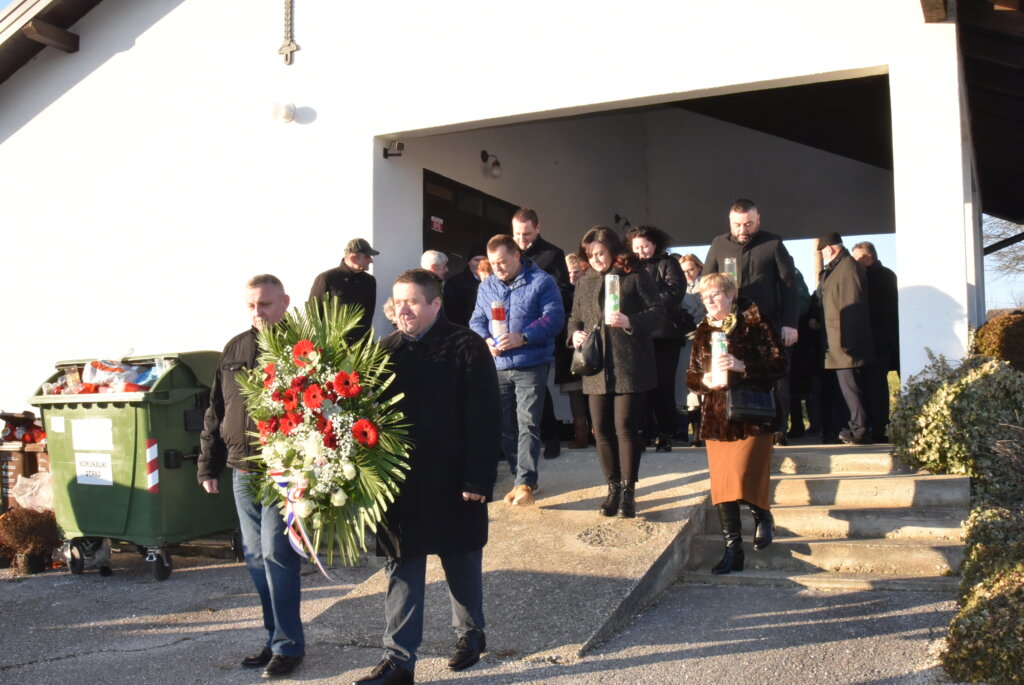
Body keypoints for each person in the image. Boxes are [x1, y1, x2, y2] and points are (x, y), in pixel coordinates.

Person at [354, 269, 501, 685]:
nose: (403, 309)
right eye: (398, 301)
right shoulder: (383, 351)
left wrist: (478, 478)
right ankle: (399, 660)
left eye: (413, 301)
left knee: (462, 560)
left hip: (455, 479)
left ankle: (470, 635)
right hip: (401, 485)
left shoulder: (466, 347)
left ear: (435, 304)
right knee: (402, 568)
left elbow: (485, 418)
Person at [198, 274, 305, 678]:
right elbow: (216, 410)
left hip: (284, 472)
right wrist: (208, 464)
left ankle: (289, 646)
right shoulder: (235, 348)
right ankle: (275, 636)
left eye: (265, 304)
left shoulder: (304, 349)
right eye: (251, 306)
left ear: (285, 302)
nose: (258, 313)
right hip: (242, 470)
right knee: (257, 558)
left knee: (277, 554)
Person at [686, 272, 786, 574]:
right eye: (704, 297)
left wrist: (744, 366)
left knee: (743, 473)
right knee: (723, 485)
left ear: (730, 294)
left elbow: (779, 364)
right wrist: (703, 380)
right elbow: (690, 376)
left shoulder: (755, 323)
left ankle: (762, 514)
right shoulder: (703, 331)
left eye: (715, 294)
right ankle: (733, 550)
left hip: (752, 414)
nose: (709, 301)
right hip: (717, 418)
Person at [568, 227, 665, 518]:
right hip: (596, 367)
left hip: (630, 365)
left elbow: (657, 312)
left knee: (626, 428)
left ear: (612, 250)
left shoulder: (635, 275)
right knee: (602, 430)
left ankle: (629, 492)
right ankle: (612, 488)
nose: (595, 259)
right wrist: (574, 335)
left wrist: (629, 320)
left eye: (600, 253)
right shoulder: (584, 282)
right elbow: (574, 317)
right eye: (590, 255)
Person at [469, 234, 564, 506]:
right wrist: (485, 340)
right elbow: (476, 320)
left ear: (516, 256)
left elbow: (554, 318)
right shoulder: (486, 287)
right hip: (497, 364)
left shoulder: (542, 282)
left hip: (531, 362)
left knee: (528, 422)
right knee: (502, 424)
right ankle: (518, 475)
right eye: (493, 263)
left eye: (502, 262)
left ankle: (525, 482)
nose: (498, 268)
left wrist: (523, 336)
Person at [703, 199, 800, 446]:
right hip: (730, 326)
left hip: (766, 325)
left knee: (775, 377)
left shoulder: (773, 244)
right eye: (737, 225)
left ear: (758, 220)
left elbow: (789, 287)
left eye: (748, 224)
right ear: (730, 222)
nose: (742, 230)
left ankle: (778, 428)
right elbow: (706, 283)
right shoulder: (718, 244)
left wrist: (790, 323)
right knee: (732, 374)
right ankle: (738, 424)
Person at [513, 208, 572, 460]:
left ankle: (551, 436)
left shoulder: (552, 254)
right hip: (511, 329)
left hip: (541, 329)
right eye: (517, 234)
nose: (521, 240)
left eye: (526, 234)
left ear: (537, 229)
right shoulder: (509, 252)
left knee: (537, 386)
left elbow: (563, 291)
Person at [628, 226, 690, 452]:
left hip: (664, 334)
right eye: (636, 248)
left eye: (644, 246)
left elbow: (675, 291)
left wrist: (648, 306)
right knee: (640, 386)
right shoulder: (630, 268)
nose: (640, 252)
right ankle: (643, 432)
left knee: (663, 384)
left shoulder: (668, 264)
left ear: (655, 245)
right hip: (639, 335)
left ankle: (665, 432)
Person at [816, 232, 875, 445]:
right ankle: (851, 428)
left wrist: (848, 342)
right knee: (844, 389)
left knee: (852, 388)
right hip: (836, 343)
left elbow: (852, 305)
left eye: (823, 253)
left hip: (845, 344)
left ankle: (860, 430)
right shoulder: (837, 269)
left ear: (829, 249)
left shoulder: (848, 267)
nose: (823, 257)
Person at [852, 241, 899, 442]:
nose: (854, 263)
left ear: (868, 257)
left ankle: (879, 426)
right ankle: (879, 425)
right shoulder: (888, 275)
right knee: (875, 385)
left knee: (876, 385)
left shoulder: (872, 278)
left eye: (857, 258)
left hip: (876, 342)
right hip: (885, 339)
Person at [309, 238, 379, 343]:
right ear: (353, 258)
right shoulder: (327, 278)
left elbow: (369, 316)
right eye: (367, 256)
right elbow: (313, 315)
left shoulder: (370, 281)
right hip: (334, 349)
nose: (371, 260)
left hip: (362, 350)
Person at [563, 253, 591, 448]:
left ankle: (597, 433)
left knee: (593, 392)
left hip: (591, 346)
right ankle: (581, 436)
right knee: (575, 392)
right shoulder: (561, 292)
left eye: (576, 272)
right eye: (569, 273)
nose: (572, 276)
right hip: (568, 347)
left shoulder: (591, 289)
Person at [678, 254, 706, 447]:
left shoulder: (706, 285)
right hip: (685, 341)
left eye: (691, 269)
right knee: (688, 389)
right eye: (684, 271)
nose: (688, 274)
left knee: (704, 386)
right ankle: (693, 433)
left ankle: (703, 431)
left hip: (704, 339)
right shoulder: (678, 288)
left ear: (699, 268)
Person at [442, 254, 486, 327]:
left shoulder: (496, 282)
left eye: (483, 260)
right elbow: (450, 312)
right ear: (469, 262)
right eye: (476, 260)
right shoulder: (454, 282)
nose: (480, 263)